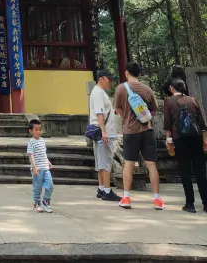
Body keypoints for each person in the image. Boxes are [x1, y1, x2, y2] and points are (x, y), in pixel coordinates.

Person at [114, 61, 164, 210]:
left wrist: (126, 117)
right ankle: (157, 200)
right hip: (147, 130)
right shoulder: (147, 89)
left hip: (130, 131)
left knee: (129, 164)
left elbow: (117, 109)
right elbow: (154, 110)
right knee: (151, 164)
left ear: (126, 72)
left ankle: (127, 197)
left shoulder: (121, 88)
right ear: (139, 73)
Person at [163, 78, 207, 213]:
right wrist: (205, 139)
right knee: (201, 171)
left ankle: (190, 204)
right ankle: (206, 204)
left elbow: (167, 124)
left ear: (172, 88)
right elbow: (202, 123)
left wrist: (168, 141)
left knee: (185, 171)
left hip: (179, 139)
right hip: (196, 138)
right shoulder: (192, 100)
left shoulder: (169, 101)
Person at [89, 70, 120, 201]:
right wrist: (104, 131)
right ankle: (107, 190)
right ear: (101, 79)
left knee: (101, 160)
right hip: (102, 131)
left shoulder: (100, 92)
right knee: (105, 161)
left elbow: (104, 111)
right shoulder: (98, 93)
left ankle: (101, 188)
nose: (110, 82)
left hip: (102, 130)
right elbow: (99, 113)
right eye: (109, 79)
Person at [27, 119, 54, 213]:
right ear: (30, 131)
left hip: (45, 168)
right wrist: (34, 167)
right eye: (36, 130)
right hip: (37, 169)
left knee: (50, 185)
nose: (39, 132)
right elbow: (31, 155)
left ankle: (46, 201)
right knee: (37, 187)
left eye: (40, 129)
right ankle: (37, 203)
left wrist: (48, 161)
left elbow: (43, 153)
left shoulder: (42, 140)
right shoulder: (31, 142)